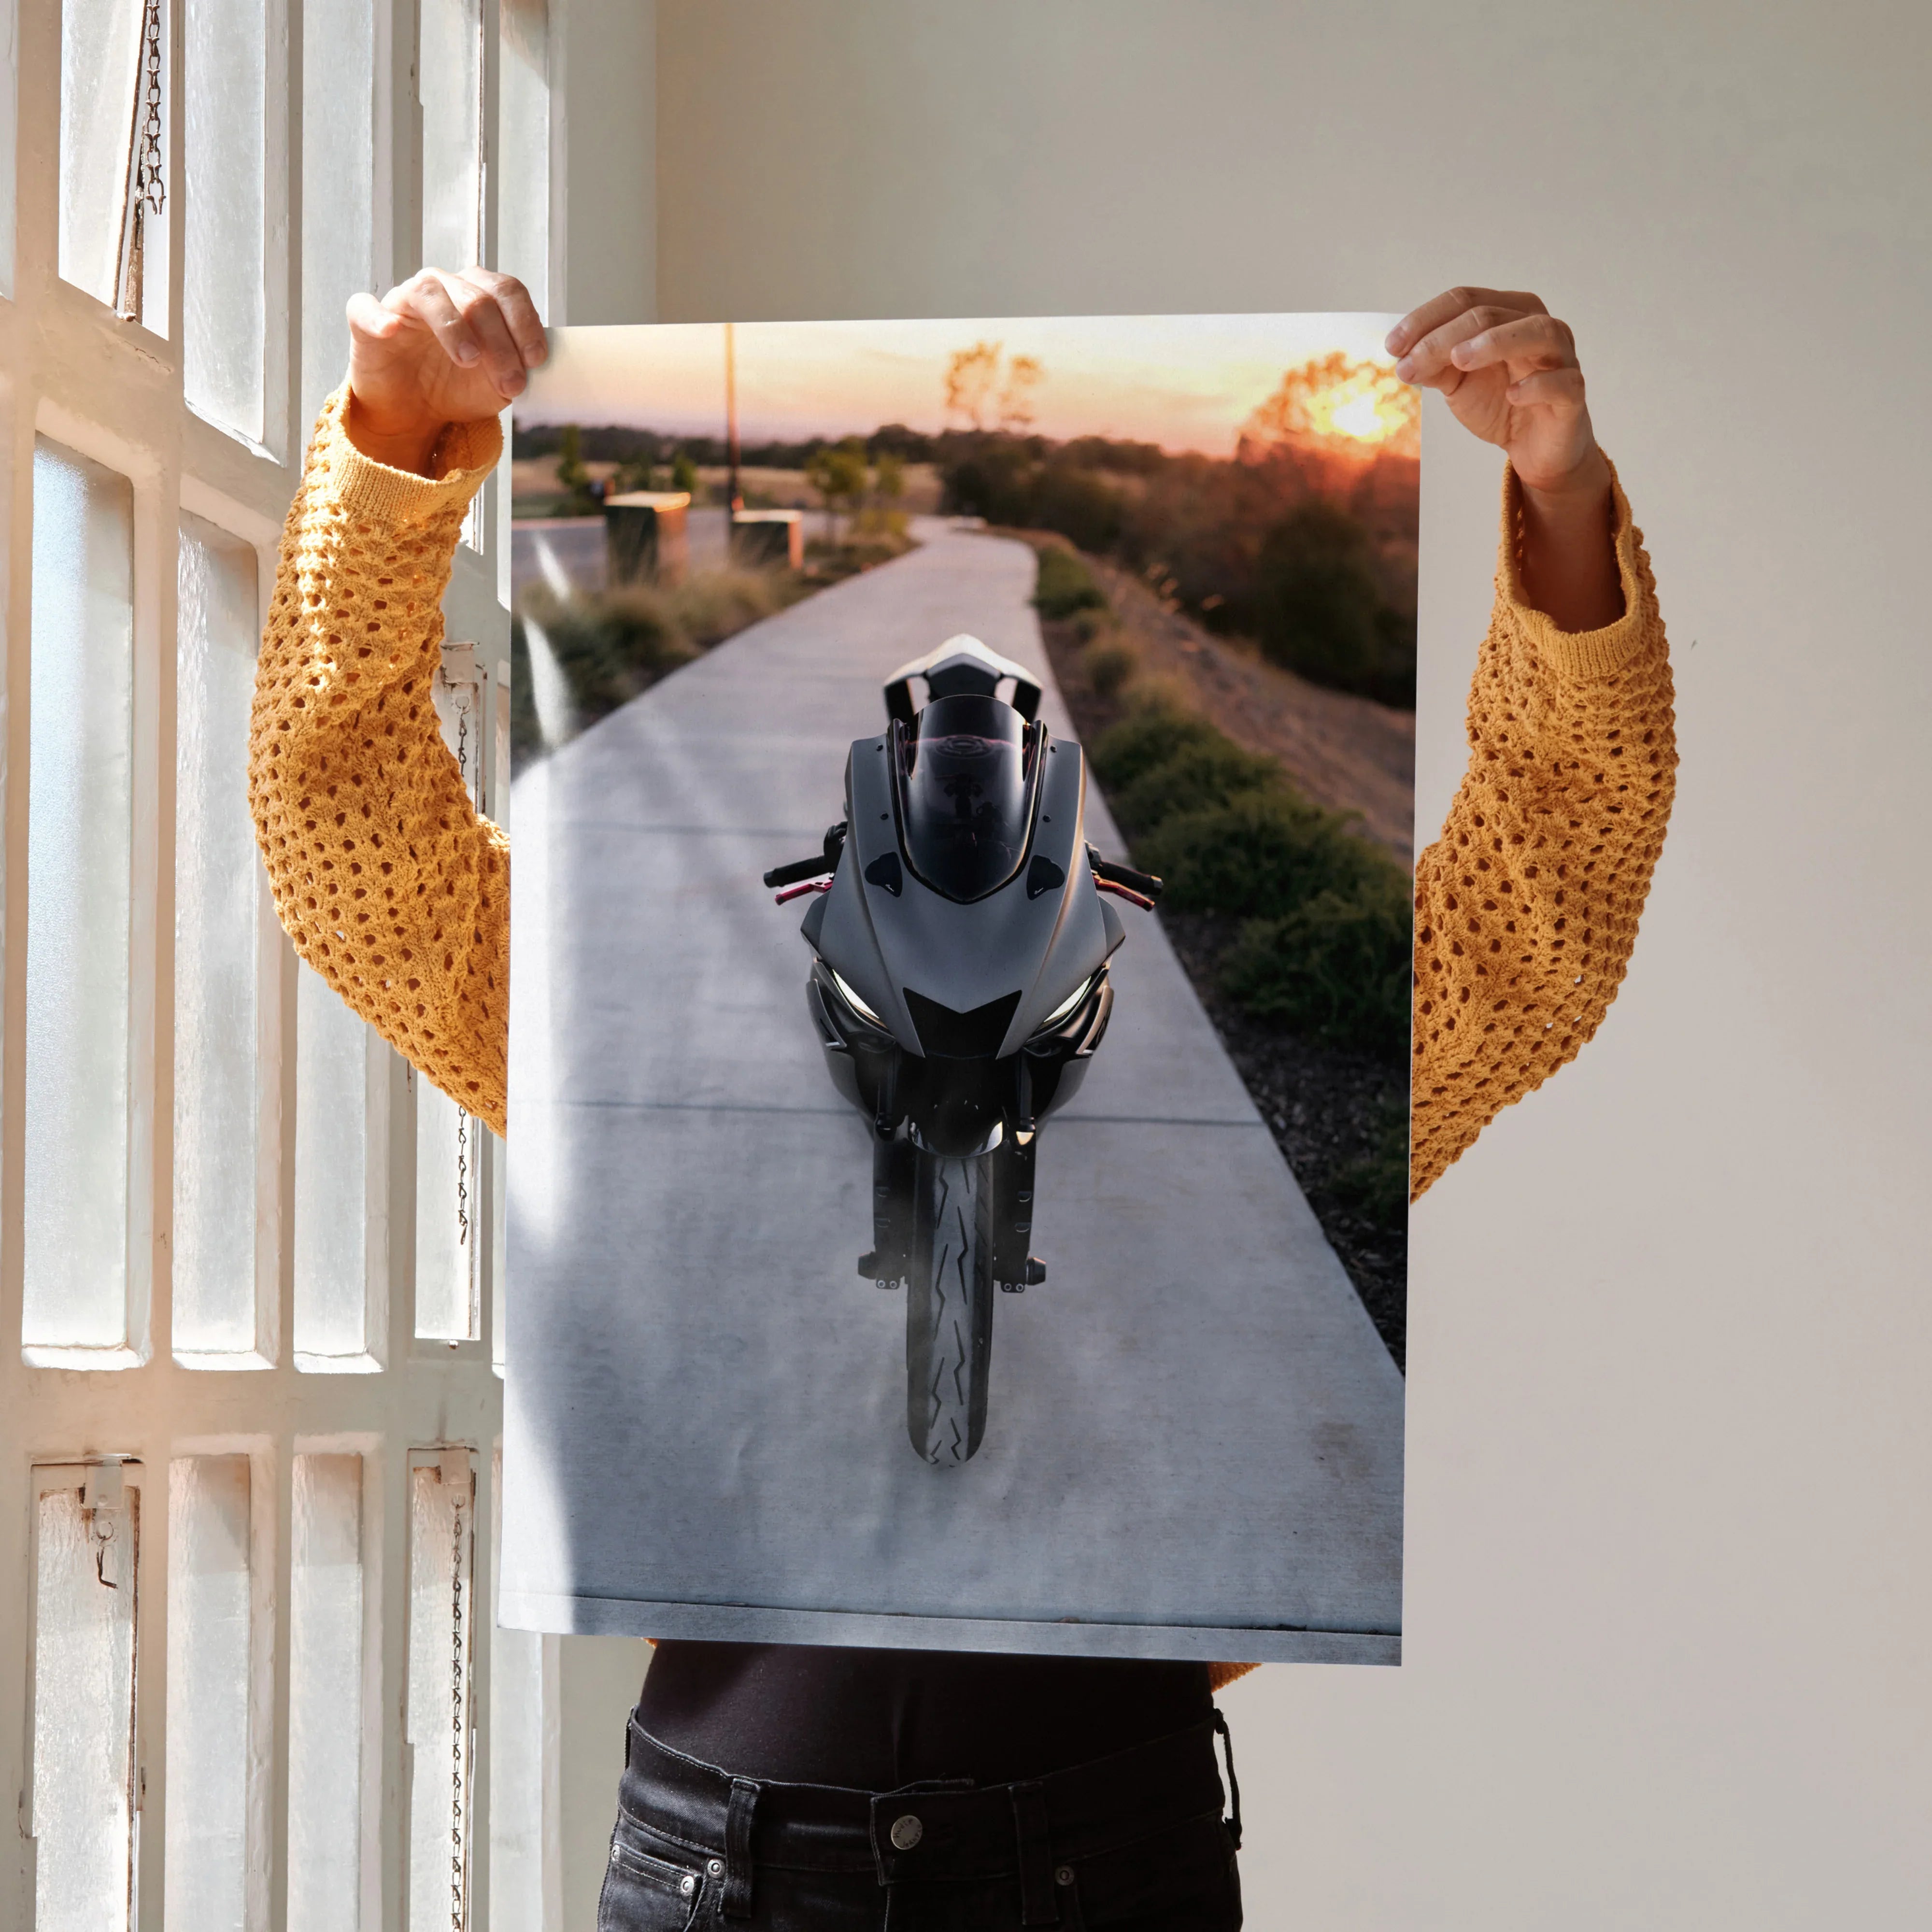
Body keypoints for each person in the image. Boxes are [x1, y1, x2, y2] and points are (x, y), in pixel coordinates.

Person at [249, 270, 1675, 1929]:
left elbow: (1544, 909)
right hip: (729, 1865)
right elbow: (347, 840)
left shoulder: (1200, 1038)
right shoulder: (637, 1032)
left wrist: (1559, 497)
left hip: (1105, 1852)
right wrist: (393, 444)